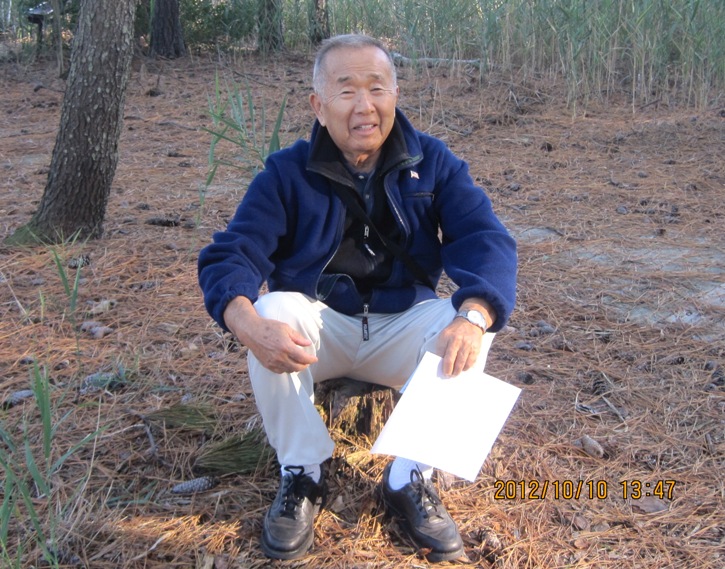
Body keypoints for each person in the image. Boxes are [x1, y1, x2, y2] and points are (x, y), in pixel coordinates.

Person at [198, 34, 517, 562]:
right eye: (346, 91)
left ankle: (409, 476)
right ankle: (302, 473)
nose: (365, 105)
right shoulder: (286, 171)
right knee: (272, 310)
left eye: (377, 88)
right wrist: (245, 320)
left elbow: (486, 239)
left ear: (395, 94)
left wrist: (476, 313)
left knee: (471, 332)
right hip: (321, 327)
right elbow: (232, 252)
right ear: (318, 107)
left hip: (402, 321)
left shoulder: (432, 162)